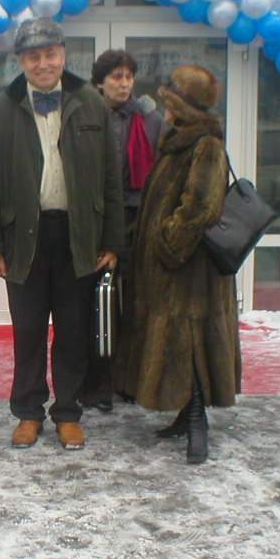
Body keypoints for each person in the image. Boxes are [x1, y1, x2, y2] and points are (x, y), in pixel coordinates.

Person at [0, 19, 124, 451]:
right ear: (20, 61)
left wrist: (112, 241)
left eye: (51, 54)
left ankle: (68, 412)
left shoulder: (92, 104)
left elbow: (111, 178)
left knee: (73, 331)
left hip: (78, 236)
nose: (43, 63)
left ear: (63, 55)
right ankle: (27, 412)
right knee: (28, 332)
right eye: (34, 56)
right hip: (24, 238)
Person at [116, 65, 241, 465]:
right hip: (172, 268)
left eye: (170, 103)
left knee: (192, 340)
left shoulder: (205, 146)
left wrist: (168, 243)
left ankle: (197, 420)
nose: (165, 110)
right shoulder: (179, 142)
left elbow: (201, 207)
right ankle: (186, 414)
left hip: (190, 268)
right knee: (178, 339)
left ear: (183, 108)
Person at [78, 49, 165, 413]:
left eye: (129, 76)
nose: (124, 83)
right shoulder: (85, 116)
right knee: (96, 306)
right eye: (116, 76)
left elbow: (162, 171)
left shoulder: (150, 119)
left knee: (135, 305)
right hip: (96, 222)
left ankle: (130, 381)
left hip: (138, 221)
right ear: (100, 82)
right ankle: (96, 384)